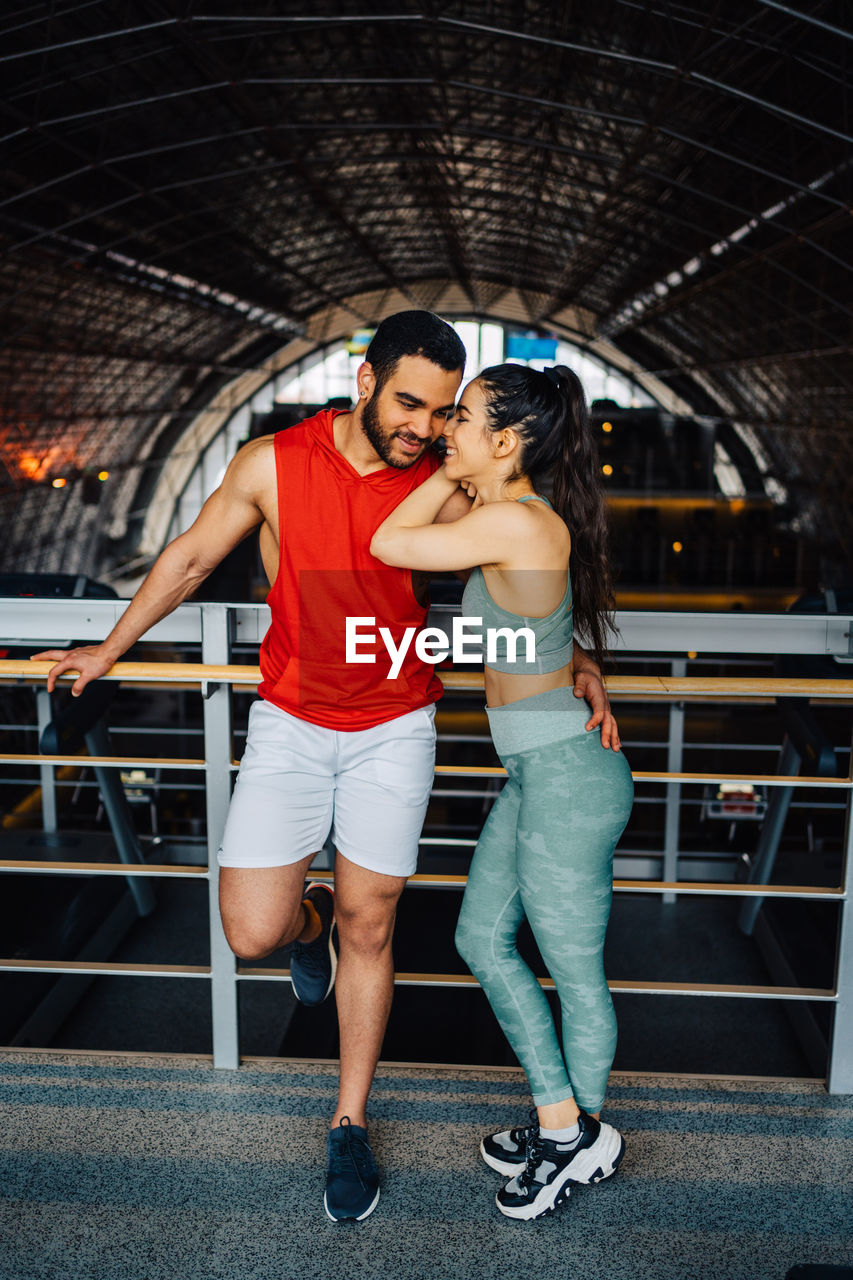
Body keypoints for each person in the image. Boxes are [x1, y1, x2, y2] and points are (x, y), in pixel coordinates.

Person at [32, 314, 618, 1223]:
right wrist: (108, 648)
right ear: (366, 379)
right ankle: (308, 933)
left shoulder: (443, 472)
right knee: (252, 933)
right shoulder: (274, 460)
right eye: (409, 403)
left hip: (396, 724)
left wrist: (577, 654)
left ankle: (349, 1121)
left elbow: (527, 563)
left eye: (441, 412)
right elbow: (190, 559)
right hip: (290, 723)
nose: (423, 426)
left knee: (372, 923)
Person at [371, 361, 633, 1221]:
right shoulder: (501, 517)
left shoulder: (518, 525)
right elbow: (535, 623)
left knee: (572, 971)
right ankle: (567, 1121)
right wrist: (581, 665)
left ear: (508, 441)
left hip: (568, 776)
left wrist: (445, 469)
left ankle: (571, 1135)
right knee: (480, 937)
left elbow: (389, 543)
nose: (445, 426)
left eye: (464, 416)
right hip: (537, 768)